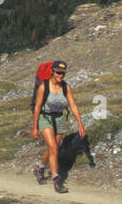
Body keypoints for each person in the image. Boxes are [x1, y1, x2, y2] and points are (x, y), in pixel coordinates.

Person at [31, 60, 86, 193]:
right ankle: (57, 181)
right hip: (45, 117)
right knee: (54, 149)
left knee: (53, 148)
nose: (60, 76)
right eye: (58, 73)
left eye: (63, 73)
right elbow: (37, 107)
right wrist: (35, 127)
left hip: (59, 117)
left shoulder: (66, 87)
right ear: (52, 72)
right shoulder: (44, 87)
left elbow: (73, 105)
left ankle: (40, 168)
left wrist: (80, 124)